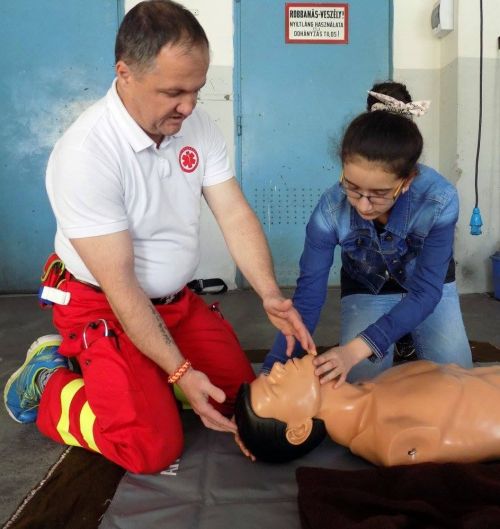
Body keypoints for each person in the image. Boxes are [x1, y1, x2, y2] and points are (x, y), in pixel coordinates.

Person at [3, 0, 314, 474]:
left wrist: (270, 294)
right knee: (150, 447)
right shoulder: (87, 154)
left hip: (173, 303)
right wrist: (181, 371)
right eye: (174, 92)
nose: (189, 107)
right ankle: (48, 379)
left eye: (197, 90)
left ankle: (134, 375)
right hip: (102, 303)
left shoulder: (194, 125)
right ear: (125, 74)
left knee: (237, 399)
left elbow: (233, 212)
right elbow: (121, 286)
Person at [262, 81, 472, 385]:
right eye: (352, 187)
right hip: (369, 286)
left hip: (425, 285)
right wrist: (272, 368)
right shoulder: (329, 210)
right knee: (360, 384)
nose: (362, 205)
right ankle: (399, 336)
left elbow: (426, 293)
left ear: (407, 181)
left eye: (379, 193)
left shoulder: (439, 199)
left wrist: (354, 350)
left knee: (458, 380)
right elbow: (308, 298)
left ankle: (402, 335)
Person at [235, 354, 500, 466]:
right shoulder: (391, 438)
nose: (276, 368)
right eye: (274, 388)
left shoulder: (381, 381)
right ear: (299, 431)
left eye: (268, 375)